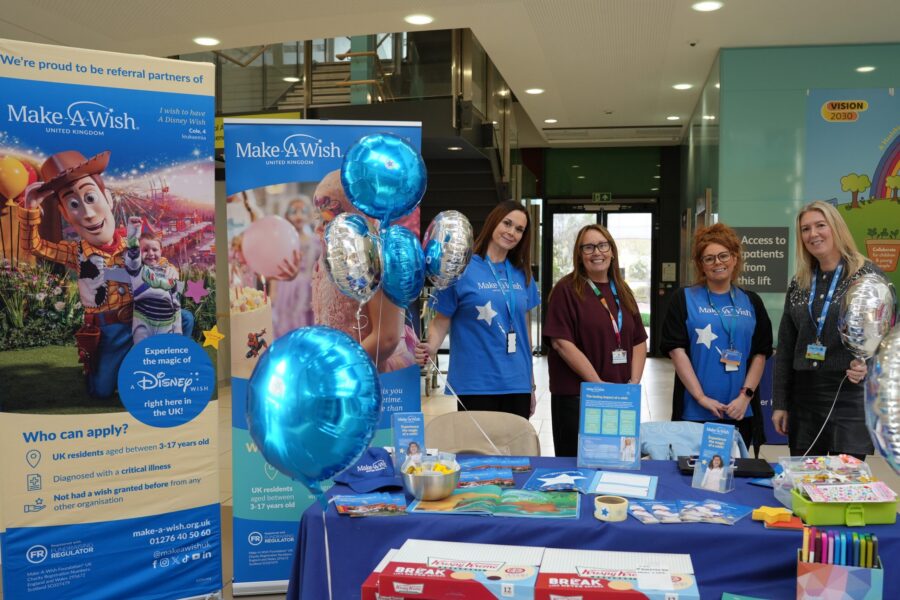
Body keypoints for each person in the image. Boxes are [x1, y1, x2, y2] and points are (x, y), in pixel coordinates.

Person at [772, 201, 884, 458]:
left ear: (836, 228)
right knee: (805, 481)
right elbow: (787, 346)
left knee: (846, 482)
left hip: (848, 393)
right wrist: (780, 403)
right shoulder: (800, 281)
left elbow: (886, 335)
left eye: (820, 225)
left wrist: (870, 365)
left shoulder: (867, 276)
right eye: (805, 229)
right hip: (805, 395)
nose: (813, 234)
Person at [415, 200, 540, 419]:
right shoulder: (461, 267)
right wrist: (430, 347)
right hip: (475, 383)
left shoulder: (523, 274)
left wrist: (531, 384)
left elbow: (525, 332)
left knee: (514, 452)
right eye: (507, 223)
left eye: (519, 229)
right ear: (494, 222)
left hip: (516, 383)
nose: (511, 232)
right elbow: (441, 319)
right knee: (478, 452)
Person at [660, 223, 773, 449]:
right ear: (701, 265)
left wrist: (745, 397)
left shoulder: (752, 301)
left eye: (723, 255)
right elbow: (676, 351)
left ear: (735, 258)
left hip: (740, 412)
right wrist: (701, 398)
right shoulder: (683, 299)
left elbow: (760, 353)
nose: (717, 263)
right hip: (695, 411)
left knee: (734, 478)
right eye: (709, 258)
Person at [543, 224, 647, 457]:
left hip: (619, 397)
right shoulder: (566, 289)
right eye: (588, 247)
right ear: (579, 255)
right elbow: (561, 343)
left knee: (616, 461)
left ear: (612, 250)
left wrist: (634, 383)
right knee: (576, 465)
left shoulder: (623, 290)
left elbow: (639, 340)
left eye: (602, 245)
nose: (596, 252)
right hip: (577, 398)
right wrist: (598, 385)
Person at [311, 170, 416, 372]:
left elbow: (386, 338)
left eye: (328, 216)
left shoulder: (375, 253)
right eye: (319, 217)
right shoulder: (332, 249)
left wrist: (337, 369)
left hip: (366, 371)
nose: (319, 228)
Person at [124, 217, 182, 344]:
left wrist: (177, 331)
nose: (150, 253)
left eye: (154, 249)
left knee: (165, 355)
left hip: (166, 322)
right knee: (142, 354)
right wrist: (133, 238)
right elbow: (132, 259)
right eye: (145, 250)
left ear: (161, 251)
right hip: (143, 321)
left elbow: (176, 304)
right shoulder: (137, 270)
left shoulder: (169, 272)